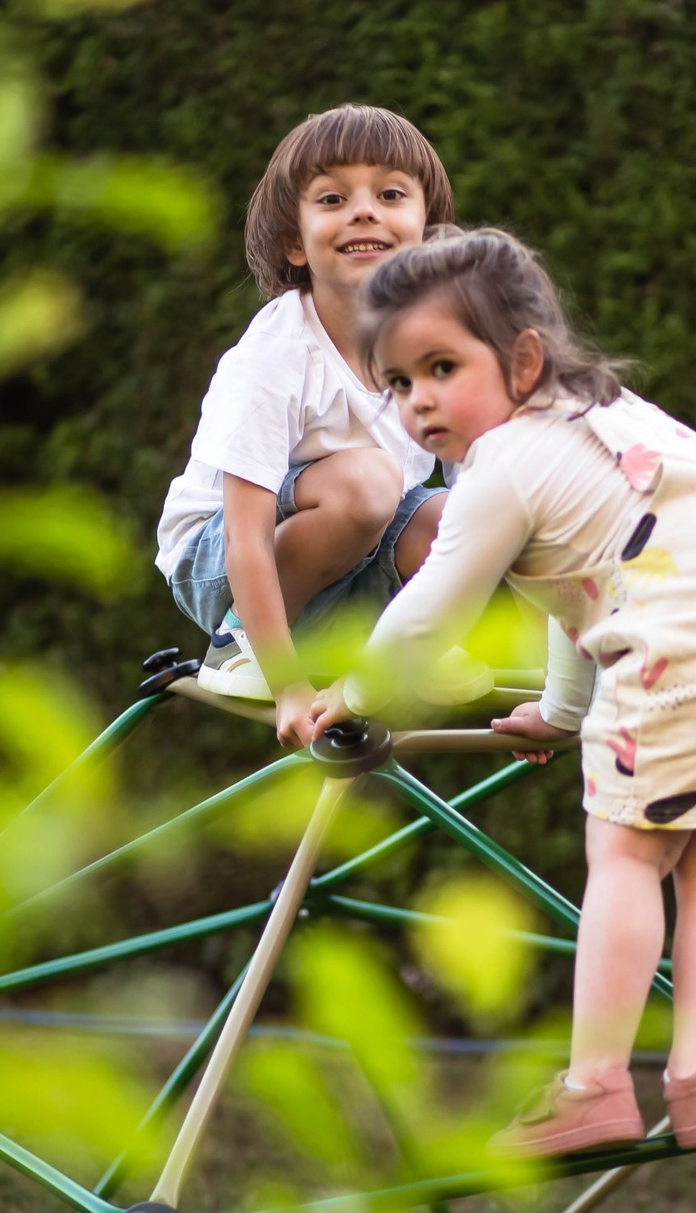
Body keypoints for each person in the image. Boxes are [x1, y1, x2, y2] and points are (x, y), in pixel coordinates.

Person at [310, 229, 696, 1155]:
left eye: (441, 367)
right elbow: (583, 587)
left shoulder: (505, 461)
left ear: (523, 358)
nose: (419, 403)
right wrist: (565, 714)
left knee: (626, 854)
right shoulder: (606, 420)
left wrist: (356, 689)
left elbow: (429, 612)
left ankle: (597, 1084)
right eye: (399, 383)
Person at [155, 104, 483, 748]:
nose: (364, 211)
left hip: (353, 555)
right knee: (366, 481)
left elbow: (482, 513)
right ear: (294, 243)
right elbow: (246, 529)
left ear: (426, 229)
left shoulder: (435, 347)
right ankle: (240, 647)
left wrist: (557, 696)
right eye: (333, 198)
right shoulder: (278, 353)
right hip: (222, 564)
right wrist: (287, 688)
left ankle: (394, 645)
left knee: (452, 515)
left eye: (390, 194)